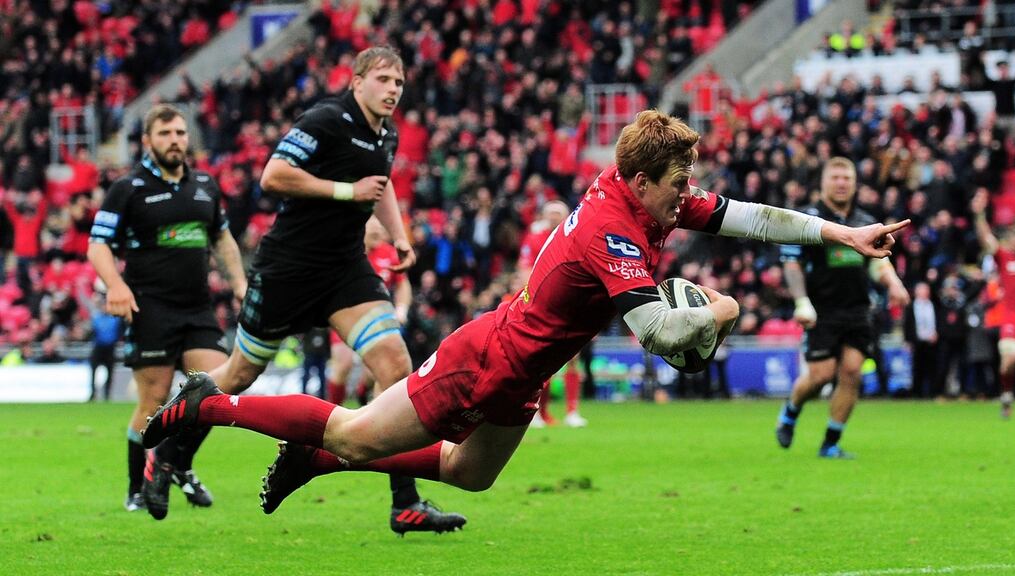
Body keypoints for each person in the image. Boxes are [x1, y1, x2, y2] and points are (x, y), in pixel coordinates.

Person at [143, 110, 907, 523]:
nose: (688, 197)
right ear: (639, 180)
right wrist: (726, 311)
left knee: (465, 476)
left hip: (524, 369)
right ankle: (210, 403)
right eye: (678, 185)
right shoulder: (613, 232)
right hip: (489, 359)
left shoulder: (642, 192)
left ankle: (310, 461)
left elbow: (746, 216)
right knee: (348, 430)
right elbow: (662, 339)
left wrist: (843, 233)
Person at [201, 46, 465, 535]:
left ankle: (404, 503)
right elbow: (273, 175)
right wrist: (345, 191)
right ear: (356, 80)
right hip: (288, 269)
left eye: (399, 83)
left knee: (396, 366)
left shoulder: (386, 134)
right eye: (383, 79)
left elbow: (379, 188)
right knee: (237, 375)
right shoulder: (325, 120)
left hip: (344, 269)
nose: (392, 90)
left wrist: (401, 236)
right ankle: (173, 442)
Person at [87, 104, 247, 517]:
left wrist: (240, 284)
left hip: (197, 309)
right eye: (165, 134)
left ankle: (177, 464)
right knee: (153, 401)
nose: (175, 140)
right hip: (150, 309)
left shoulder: (206, 187)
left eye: (179, 133)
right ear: (148, 141)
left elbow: (224, 240)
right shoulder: (128, 188)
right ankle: (136, 488)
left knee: (217, 389)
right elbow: (97, 244)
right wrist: (116, 285)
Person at [775, 157, 910, 459]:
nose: (841, 183)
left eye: (846, 178)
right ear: (823, 182)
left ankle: (830, 443)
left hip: (858, 309)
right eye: (835, 177)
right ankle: (790, 411)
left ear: (854, 183)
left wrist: (895, 285)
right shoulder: (807, 221)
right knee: (821, 376)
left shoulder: (865, 220)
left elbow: (880, 263)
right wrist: (801, 301)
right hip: (821, 310)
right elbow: (792, 264)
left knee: (852, 373)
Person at [326, 216, 413, 407]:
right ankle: (332, 414)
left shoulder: (389, 254)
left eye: (380, 229)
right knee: (343, 364)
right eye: (373, 230)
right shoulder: (346, 254)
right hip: (345, 317)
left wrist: (402, 309)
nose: (378, 233)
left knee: (377, 372)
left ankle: (365, 399)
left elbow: (403, 284)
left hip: (378, 320)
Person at [517, 200, 587, 428]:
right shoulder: (535, 239)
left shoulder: (576, 236)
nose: (555, 216)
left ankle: (572, 411)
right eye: (551, 213)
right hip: (543, 304)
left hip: (570, 303)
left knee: (573, 358)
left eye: (559, 213)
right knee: (541, 359)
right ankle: (537, 412)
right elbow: (526, 271)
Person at [972, 191, 1015, 418]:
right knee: (1008, 363)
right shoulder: (1005, 257)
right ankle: (1006, 396)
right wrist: (979, 215)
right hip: (1012, 317)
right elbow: (986, 239)